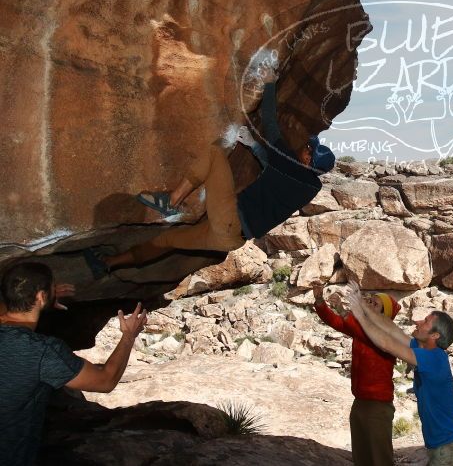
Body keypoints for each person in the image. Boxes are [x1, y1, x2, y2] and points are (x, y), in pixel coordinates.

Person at [84, 65, 335, 278]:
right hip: (230, 239)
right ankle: (106, 264)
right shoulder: (309, 187)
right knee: (167, 242)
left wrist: (269, 83)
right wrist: (253, 145)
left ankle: (171, 201)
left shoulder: (291, 165)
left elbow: (270, 124)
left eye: (309, 148)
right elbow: (274, 169)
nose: (305, 145)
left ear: (308, 158)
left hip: (230, 220)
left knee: (214, 154)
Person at [0, 262, 148, 465]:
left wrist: (42, 298)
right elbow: (106, 380)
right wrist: (129, 335)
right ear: (41, 297)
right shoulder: (43, 351)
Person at [345, 284, 453, 466]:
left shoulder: (434, 358)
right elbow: (391, 329)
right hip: (444, 447)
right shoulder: (424, 348)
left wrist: (359, 316)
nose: (418, 322)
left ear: (434, 335)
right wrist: (362, 305)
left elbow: (387, 343)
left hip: (448, 449)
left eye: (425, 322)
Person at [313, 284, 400, 466]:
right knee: (361, 457)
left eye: (375, 304)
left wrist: (342, 309)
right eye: (369, 301)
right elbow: (336, 323)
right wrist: (320, 302)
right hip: (360, 402)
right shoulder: (361, 330)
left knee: (380, 459)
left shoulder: (386, 335)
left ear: (385, 315)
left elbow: (352, 326)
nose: (369, 304)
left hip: (378, 407)